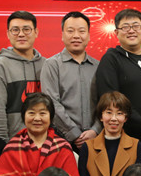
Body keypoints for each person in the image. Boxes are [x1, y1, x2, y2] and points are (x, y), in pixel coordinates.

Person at [95, 8, 141, 146]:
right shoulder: (111, 59)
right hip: (125, 138)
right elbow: (109, 99)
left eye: (136, 26)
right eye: (125, 27)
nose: (131, 31)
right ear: (116, 33)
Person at [40, 11, 101, 148]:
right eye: (70, 31)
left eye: (81, 31)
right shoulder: (52, 65)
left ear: (88, 35)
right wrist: (74, 134)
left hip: (96, 139)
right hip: (61, 139)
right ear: (62, 35)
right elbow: (51, 102)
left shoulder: (98, 67)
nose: (76, 36)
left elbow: (104, 102)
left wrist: (96, 130)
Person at [0, 10, 45, 140]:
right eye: (15, 30)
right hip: (13, 142)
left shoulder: (47, 65)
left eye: (26, 29)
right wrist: (1, 143)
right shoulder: (0, 65)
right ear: (8, 34)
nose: (21, 34)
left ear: (36, 32)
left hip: (45, 142)